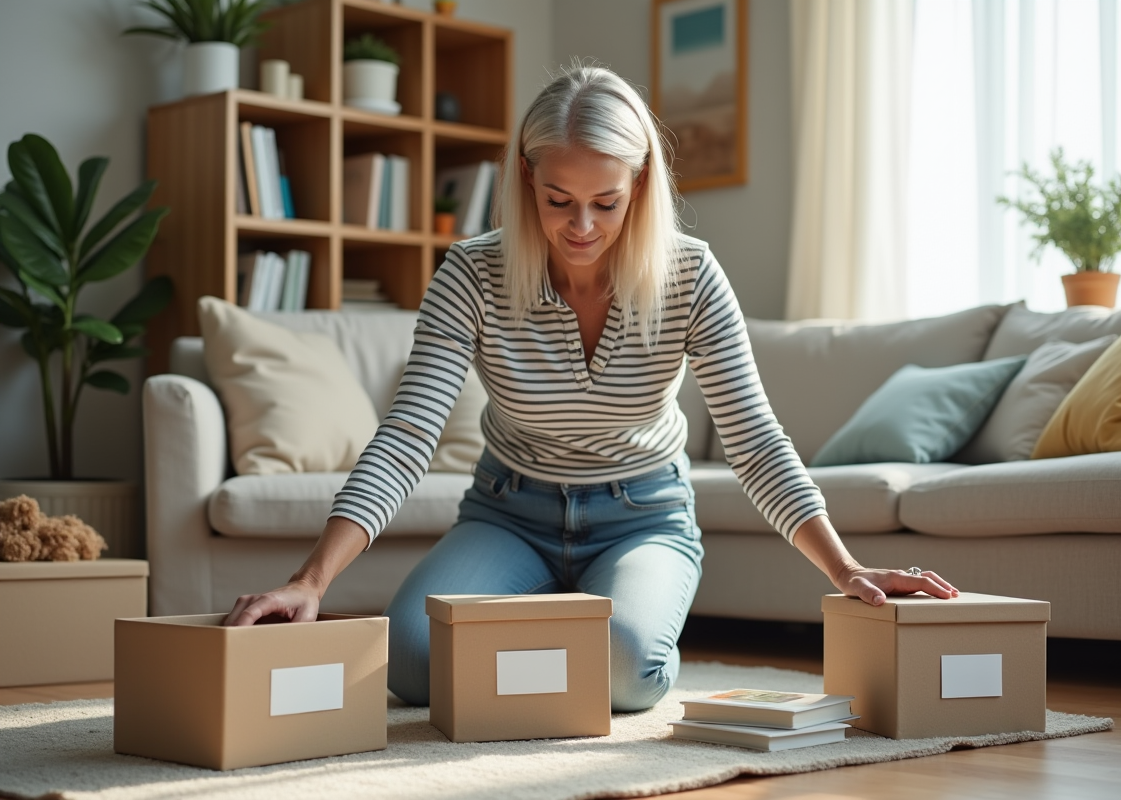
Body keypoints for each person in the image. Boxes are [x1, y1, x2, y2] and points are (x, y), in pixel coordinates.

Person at [224, 64, 958, 711]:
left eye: (605, 203)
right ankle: (557, 620)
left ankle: (583, 624)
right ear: (524, 178)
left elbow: (753, 438)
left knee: (630, 674)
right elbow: (409, 434)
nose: (580, 226)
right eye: (557, 200)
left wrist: (847, 567)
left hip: (644, 514)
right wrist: (310, 580)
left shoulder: (690, 275)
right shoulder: (472, 274)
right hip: (510, 513)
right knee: (413, 663)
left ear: (638, 186)